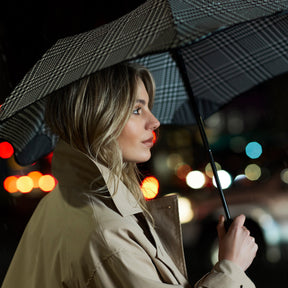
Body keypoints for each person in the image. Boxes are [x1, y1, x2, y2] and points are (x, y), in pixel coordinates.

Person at [2, 62, 258, 287]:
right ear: (99, 118)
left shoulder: (66, 198)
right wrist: (230, 268)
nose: (155, 121)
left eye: (148, 107)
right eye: (137, 110)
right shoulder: (107, 235)